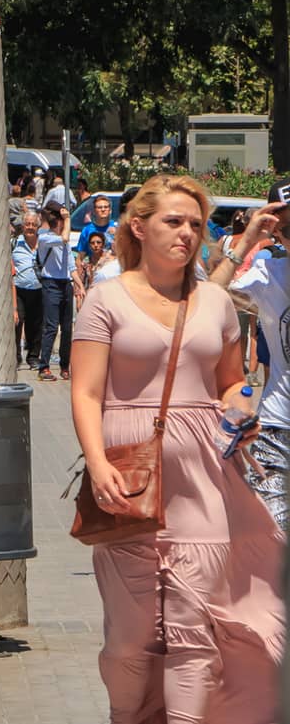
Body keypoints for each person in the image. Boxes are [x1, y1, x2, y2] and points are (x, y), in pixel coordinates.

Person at [72, 174, 283, 722]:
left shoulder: (216, 302)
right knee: (130, 640)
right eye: (173, 221)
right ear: (138, 227)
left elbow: (230, 383)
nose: (186, 233)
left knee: (194, 633)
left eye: (195, 224)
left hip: (203, 481)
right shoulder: (105, 299)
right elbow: (86, 391)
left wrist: (241, 408)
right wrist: (96, 464)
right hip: (127, 479)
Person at [211, 199, 290, 531]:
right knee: (271, 541)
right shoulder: (269, 274)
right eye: (288, 229)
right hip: (279, 432)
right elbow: (209, 296)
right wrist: (246, 241)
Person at [37, 201, 74, 381]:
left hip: (66, 283)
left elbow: (70, 264)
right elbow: (65, 238)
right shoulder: (45, 238)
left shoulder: (63, 239)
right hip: (51, 283)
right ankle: (44, 366)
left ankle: (64, 366)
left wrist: (79, 285)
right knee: (51, 326)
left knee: (67, 328)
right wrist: (67, 219)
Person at [13, 210, 43, 369]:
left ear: (38, 226)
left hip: (39, 289)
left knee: (36, 324)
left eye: (33, 224)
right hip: (19, 289)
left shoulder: (44, 243)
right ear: (22, 226)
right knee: (17, 323)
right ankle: (16, 357)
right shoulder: (15, 243)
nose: (30, 227)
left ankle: (33, 357)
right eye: (27, 224)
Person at [75, 230, 111, 306]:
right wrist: (79, 300)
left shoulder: (110, 260)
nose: (95, 245)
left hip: (107, 298)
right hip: (91, 300)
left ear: (103, 244)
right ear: (89, 245)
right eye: (92, 243)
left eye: (98, 242)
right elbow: (80, 282)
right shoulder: (86, 262)